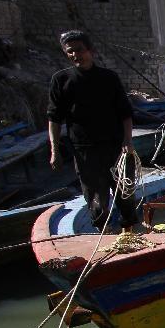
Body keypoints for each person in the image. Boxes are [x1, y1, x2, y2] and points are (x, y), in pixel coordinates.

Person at [47, 30, 139, 233]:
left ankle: (128, 232)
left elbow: (125, 113)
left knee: (125, 191)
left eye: (79, 50)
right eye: (70, 52)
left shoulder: (109, 78)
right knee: (95, 196)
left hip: (116, 146)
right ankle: (103, 234)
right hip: (84, 150)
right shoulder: (61, 80)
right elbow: (54, 118)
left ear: (91, 50)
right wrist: (54, 150)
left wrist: (128, 142)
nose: (75, 55)